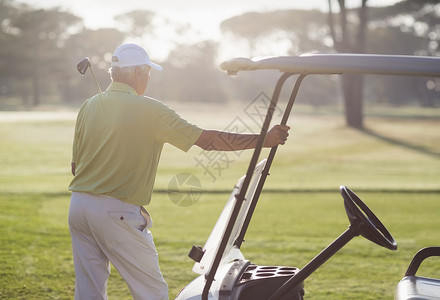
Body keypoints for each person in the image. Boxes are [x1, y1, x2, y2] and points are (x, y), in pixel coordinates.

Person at [68, 43, 290, 300]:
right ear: (138, 71)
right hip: (117, 212)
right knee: (153, 293)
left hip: (79, 208)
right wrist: (265, 139)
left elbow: (76, 168)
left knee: (88, 292)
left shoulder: (89, 106)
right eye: (148, 72)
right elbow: (207, 140)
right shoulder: (150, 109)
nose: (149, 78)